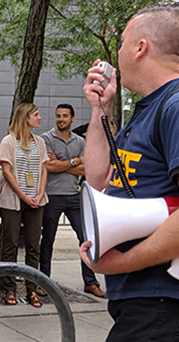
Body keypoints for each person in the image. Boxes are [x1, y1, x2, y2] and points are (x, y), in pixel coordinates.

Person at [81, 6, 179, 341]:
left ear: (140, 47)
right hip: (148, 298)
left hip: (164, 299)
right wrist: (98, 111)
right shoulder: (153, 105)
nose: (117, 52)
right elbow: (99, 179)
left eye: (122, 42)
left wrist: (121, 263)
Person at [38, 103, 105, 298]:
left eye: (65, 116)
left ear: (72, 118)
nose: (61, 119)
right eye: (58, 116)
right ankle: (44, 281)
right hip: (52, 195)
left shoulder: (80, 142)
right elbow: (48, 166)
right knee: (47, 240)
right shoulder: (46, 139)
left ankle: (90, 282)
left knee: (86, 239)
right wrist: (75, 161)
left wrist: (62, 163)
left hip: (74, 195)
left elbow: (87, 170)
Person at [0, 102, 48, 308]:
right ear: (25, 118)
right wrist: (24, 196)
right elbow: (7, 172)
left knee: (34, 245)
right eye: (36, 114)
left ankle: (31, 289)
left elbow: (44, 169)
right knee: (11, 244)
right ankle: (9, 288)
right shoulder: (8, 141)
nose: (39, 118)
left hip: (36, 199)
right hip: (14, 201)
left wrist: (40, 193)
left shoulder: (40, 142)